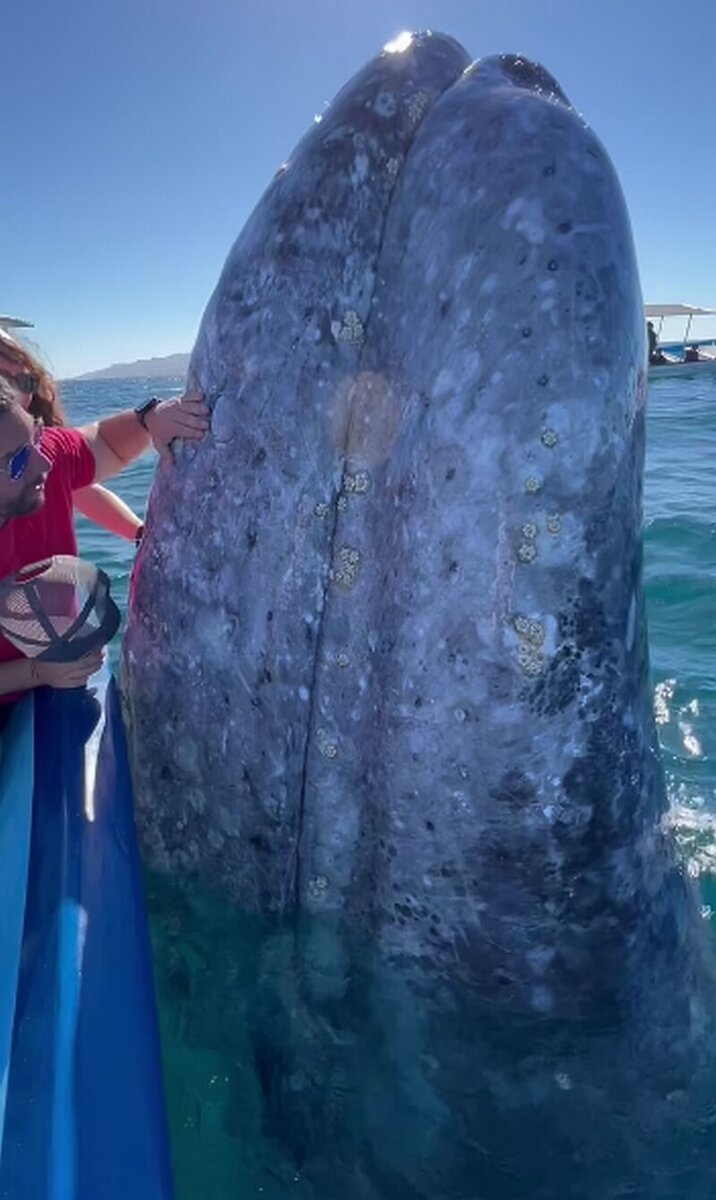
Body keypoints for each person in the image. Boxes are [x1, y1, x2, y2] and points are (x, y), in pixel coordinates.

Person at [0, 368, 208, 702]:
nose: (45, 464)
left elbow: (104, 442)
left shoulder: (42, 458)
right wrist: (33, 672)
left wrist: (149, 419)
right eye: (17, 461)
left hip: (55, 685)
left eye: (36, 435)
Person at [0, 330, 147, 543]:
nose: (20, 396)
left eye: (25, 381)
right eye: (4, 382)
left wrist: (143, 537)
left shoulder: (46, 448)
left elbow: (77, 486)